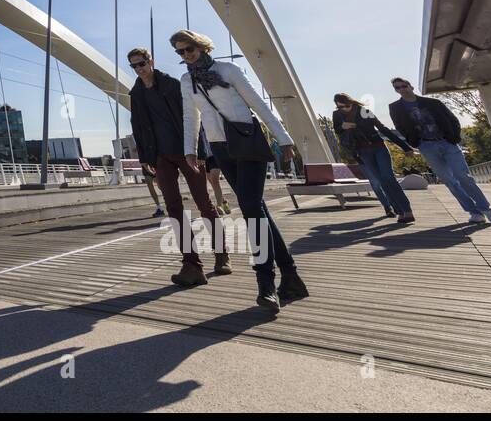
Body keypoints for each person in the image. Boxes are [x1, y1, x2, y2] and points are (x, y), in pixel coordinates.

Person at [174, 29, 308, 313]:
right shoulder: (187, 81)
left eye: (189, 49)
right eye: (180, 52)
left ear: (201, 46)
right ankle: (291, 276)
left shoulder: (228, 69)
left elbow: (257, 103)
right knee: (257, 208)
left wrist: (283, 138)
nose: (185, 55)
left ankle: (266, 284)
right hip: (220, 148)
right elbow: (190, 116)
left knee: (250, 209)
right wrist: (190, 149)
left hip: (247, 141)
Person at [128, 47, 230, 286]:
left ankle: (221, 254)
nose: (139, 69)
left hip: (187, 153)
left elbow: (194, 119)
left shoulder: (172, 85)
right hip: (160, 157)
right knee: (173, 209)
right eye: (134, 66)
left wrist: (201, 152)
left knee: (204, 204)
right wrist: (145, 158)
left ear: (150, 61)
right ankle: (192, 265)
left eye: (141, 63)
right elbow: (138, 128)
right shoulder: (136, 94)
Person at [387, 78, 491, 224]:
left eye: (404, 86)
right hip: (426, 146)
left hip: (447, 143)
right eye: (398, 88)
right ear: (396, 90)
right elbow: (400, 126)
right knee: (449, 181)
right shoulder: (395, 107)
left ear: (411, 86)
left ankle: (487, 211)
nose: (402, 89)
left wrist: (454, 138)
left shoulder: (433, 103)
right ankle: (474, 212)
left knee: (464, 177)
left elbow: (452, 119)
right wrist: (413, 141)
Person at [332, 93, 415, 223]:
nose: (343, 109)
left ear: (351, 103)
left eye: (346, 106)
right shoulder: (337, 115)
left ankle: (407, 210)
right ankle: (399, 211)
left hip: (378, 147)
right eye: (340, 107)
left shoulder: (364, 111)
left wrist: (405, 146)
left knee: (389, 178)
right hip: (362, 151)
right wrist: (342, 127)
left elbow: (382, 128)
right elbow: (337, 130)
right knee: (381, 181)